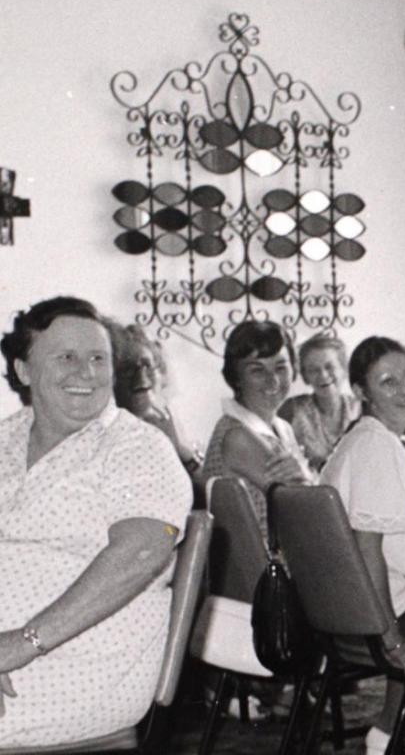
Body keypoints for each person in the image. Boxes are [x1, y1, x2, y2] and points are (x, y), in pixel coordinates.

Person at [0, 296, 191, 747]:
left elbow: (141, 552)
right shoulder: (5, 437)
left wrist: (18, 645)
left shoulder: (135, 448)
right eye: (66, 357)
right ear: (25, 371)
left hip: (66, 667)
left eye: (98, 359)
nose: (85, 372)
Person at [319, 336, 405, 755]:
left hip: (344, 611)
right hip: (384, 613)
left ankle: (397, 731)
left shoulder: (363, 439)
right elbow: (368, 549)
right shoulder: (377, 445)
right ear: (361, 393)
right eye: (388, 382)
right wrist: (392, 642)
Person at [199, 320, 313, 538]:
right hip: (263, 568)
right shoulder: (237, 435)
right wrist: (306, 474)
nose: (273, 381)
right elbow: (309, 509)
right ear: (236, 377)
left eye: (281, 367)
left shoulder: (282, 428)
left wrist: (305, 476)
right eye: (257, 370)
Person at [106, 321, 206, 505]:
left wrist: (183, 450)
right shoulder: (110, 435)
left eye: (148, 366)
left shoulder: (165, 422)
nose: (141, 378)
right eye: (128, 369)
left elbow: (217, 498)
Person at [278, 334, 360, 472]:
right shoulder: (292, 410)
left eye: (329, 367)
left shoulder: (361, 409)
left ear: (344, 370)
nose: (323, 375)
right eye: (313, 370)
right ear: (305, 377)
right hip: (309, 491)